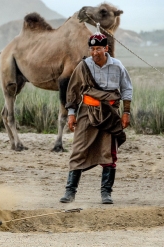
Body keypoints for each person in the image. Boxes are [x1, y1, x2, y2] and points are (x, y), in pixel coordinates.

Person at [59, 31, 133, 204]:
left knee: (109, 153)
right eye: (92, 49)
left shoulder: (117, 66)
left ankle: (106, 193)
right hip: (87, 112)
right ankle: (70, 192)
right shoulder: (84, 66)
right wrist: (71, 114)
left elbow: (127, 89)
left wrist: (126, 112)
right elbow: (73, 91)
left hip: (110, 114)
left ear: (106, 48)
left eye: (98, 48)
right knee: (78, 150)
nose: (95, 52)